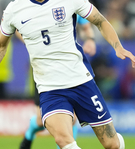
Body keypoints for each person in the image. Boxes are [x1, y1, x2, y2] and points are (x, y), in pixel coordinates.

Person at [0, 0, 135, 149]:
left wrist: (117, 46)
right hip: (50, 89)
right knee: (63, 140)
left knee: (112, 144)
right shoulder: (14, 9)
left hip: (81, 82)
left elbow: (99, 20)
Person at [18, 15, 96, 149]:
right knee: (41, 120)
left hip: (69, 67)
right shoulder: (38, 5)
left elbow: (86, 27)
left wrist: (90, 40)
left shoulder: (72, 3)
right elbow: (17, 26)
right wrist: (30, 42)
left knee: (72, 118)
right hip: (43, 68)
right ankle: (30, 133)